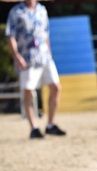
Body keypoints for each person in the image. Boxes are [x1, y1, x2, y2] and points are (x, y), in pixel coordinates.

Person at [6, 0, 65, 139]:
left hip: (45, 57)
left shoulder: (42, 10)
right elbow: (10, 35)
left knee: (56, 87)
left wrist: (50, 54)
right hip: (27, 58)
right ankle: (34, 128)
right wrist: (17, 56)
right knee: (28, 92)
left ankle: (50, 125)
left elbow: (46, 34)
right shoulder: (16, 11)